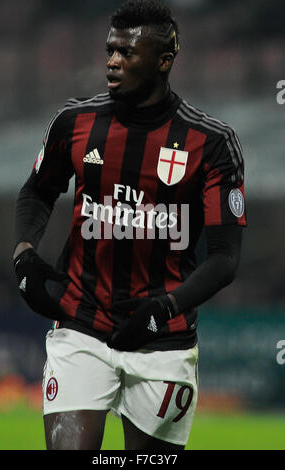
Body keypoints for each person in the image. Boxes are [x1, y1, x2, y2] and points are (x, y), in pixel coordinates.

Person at [13, 0, 247, 450]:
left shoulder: (212, 143)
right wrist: (24, 253)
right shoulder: (75, 122)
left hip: (165, 342)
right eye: (110, 51)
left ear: (164, 61)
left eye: (126, 53)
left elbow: (224, 258)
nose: (112, 62)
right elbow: (38, 190)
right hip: (82, 325)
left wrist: (165, 309)